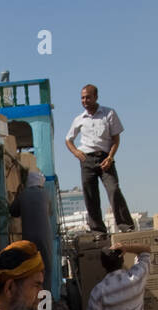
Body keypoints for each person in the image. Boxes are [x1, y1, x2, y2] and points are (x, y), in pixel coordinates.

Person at [65, 84, 133, 234]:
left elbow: (116, 139)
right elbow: (68, 139)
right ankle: (98, 231)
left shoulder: (108, 113)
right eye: (82, 98)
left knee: (113, 189)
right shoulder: (79, 119)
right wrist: (76, 152)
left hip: (105, 158)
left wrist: (110, 157)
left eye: (88, 97)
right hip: (86, 160)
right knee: (90, 196)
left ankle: (126, 225)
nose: (85, 100)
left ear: (96, 97)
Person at [9, 170, 53, 288]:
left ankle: (31, 300)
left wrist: (17, 195)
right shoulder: (46, 194)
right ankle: (44, 303)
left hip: (28, 239)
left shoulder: (23, 195)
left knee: (30, 269)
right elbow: (51, 212)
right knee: (46, 268)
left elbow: (13, 211)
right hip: (45, 238)